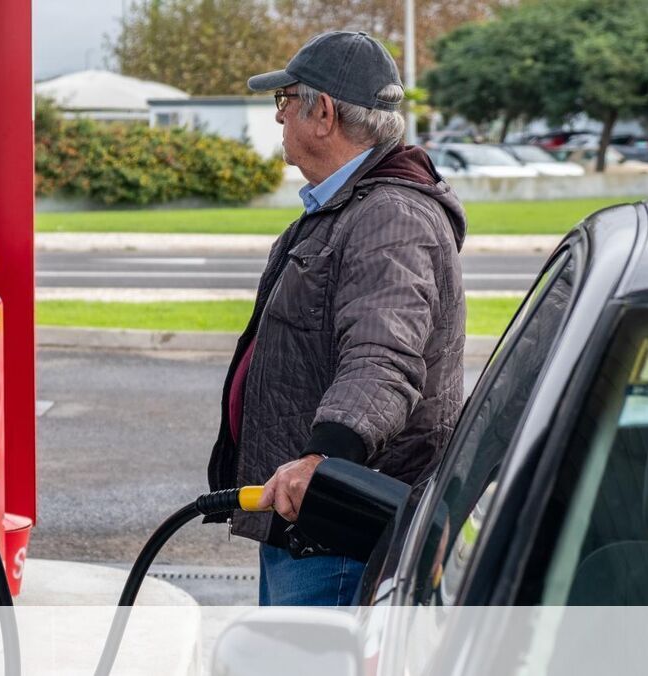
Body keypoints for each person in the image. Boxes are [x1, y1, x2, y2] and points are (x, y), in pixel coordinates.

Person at [205, 30, 467, 606]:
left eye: (284, 101)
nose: (278, 119)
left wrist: (323, 459)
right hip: (307, 523)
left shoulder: (390, 217)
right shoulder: (346, 207)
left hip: (338, 537)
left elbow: (383, 361)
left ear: (320, 112)